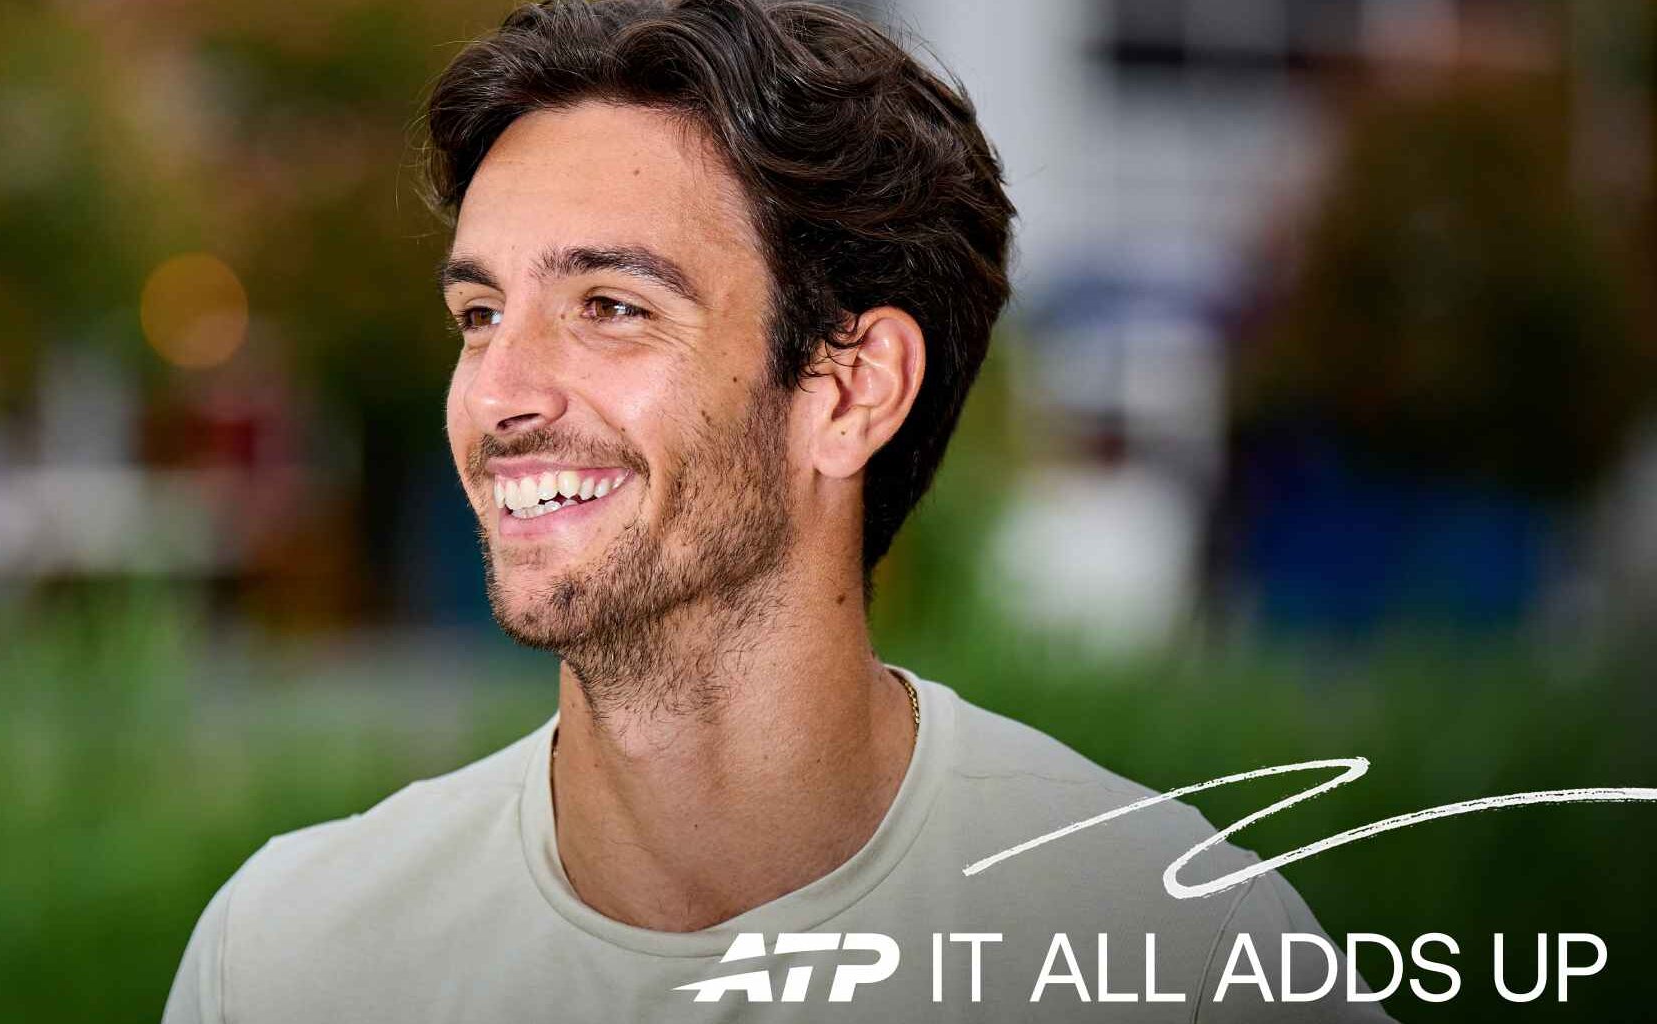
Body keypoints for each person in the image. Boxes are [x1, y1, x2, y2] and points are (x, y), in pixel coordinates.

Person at [164, 1, 1391, 1020]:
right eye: (480, 315)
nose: (499, 392)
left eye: (612, 306)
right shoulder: (292, 959)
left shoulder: (1178, 955)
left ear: (851, 391)